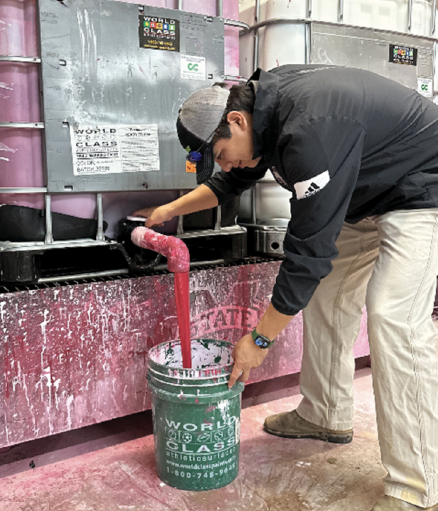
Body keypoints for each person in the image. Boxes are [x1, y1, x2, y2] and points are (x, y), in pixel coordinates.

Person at [134, 64, 438, 510]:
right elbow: (230, 180)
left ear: (236, 121)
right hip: (365, 193)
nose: (226, 163)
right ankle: (325, 414)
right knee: (327, 299)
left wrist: (259, 340)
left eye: (222, 153)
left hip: (422, 186)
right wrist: (169, 210)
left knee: (394, 316)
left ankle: (418, 483)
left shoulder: (308, 130)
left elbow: (308, 255)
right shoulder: (261, 113)